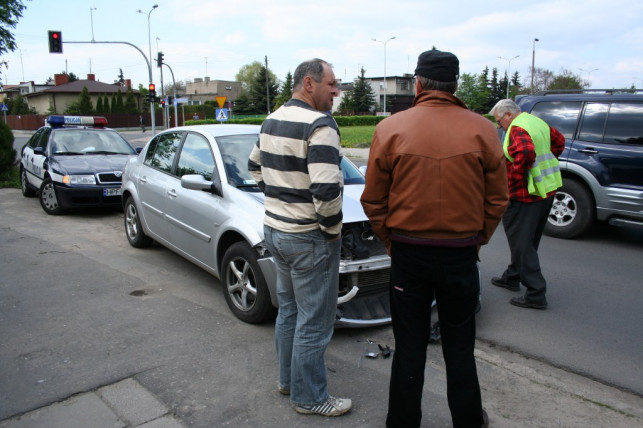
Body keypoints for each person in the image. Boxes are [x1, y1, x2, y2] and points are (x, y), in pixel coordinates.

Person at [360, 48, 508, 428]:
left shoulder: (390, 128)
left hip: (410, 255)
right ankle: (469, 420)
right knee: (461, 347)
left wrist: (394, 242)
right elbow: (497, 199)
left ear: (419, 84)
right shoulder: (483, 129)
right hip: (460, 255)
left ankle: (403, 422)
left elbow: (373, 199)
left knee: (409, 346)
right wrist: (477, 239)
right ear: (455, 85)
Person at [247, 58, 351, 417]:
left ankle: (288, 381)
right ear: (309, 83)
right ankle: (310, 398)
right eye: (332, 84)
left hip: (276, 231)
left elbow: (254, 166)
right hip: (309, 237)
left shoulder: (272, 118)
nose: (336, 90)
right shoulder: (321, 125)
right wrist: (332, 232)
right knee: (316, 320)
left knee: (289, 310)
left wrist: (280, 196)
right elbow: (326, 189)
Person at [489, 99, 565, 309]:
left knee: (522, 244)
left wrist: (516, 181)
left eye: (499, 121)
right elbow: (559, 142)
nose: (499, 126)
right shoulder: (536, 122)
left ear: (508, 115)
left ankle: (535, 293)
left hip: (525, 195)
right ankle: (513, 276)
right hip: (546, 191)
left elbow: (524, 153)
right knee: (527, 241)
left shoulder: (517, 127)